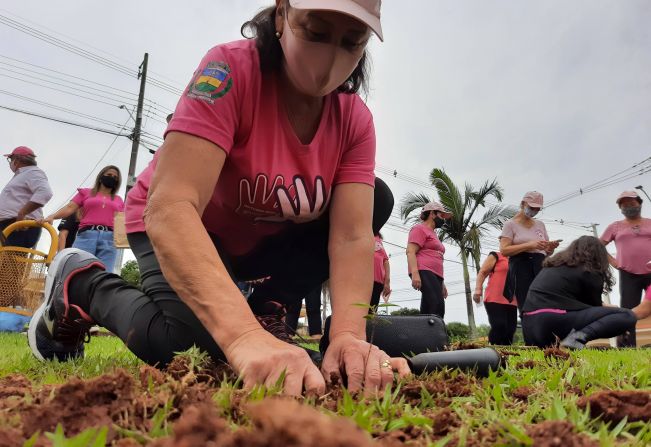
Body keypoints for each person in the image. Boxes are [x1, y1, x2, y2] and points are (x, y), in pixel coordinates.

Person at [28, 0, 410, 397]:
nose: (330, 59)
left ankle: (268, 310)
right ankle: (83, 283)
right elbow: (172, 205)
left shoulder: (354, 120)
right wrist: (241, 336)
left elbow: (350, 236)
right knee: (194, 348)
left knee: (375, 198)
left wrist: (348, 335)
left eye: (352, 41)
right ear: (281, 15)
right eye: (315, 32)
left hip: (259, 244)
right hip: (177, 224)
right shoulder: (230, 71)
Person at [521, 236, 637, 349]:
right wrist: (617, 317)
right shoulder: (588, 269)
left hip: (529, 326)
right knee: (627, 315)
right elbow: (594, 306)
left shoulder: (553, 265)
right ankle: (575, 341)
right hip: (553, 321)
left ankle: (566, 344)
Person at [42, 166, 124, 272]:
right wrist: (52, 216)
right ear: (101, 177)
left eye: (115, 177)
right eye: (109, 175)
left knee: (105, 274)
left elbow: (123, 221)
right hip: (86, 236)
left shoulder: (119, 200)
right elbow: (69, 208)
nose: (112, 178)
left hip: (109, 239)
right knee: (78, 271)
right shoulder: (85, 193)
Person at [600, 190, 651, 347]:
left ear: (640, 203)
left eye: (632, 203)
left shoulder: (649, 222)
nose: (629, 206)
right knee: (628, 312)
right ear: (620, 208)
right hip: (629, 274)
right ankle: (627, 347)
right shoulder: (615, 227)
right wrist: (612, 261)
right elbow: (598, 245)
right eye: (625, 205)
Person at [500, 191, 559, 313]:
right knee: (528, 307)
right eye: (532, 207)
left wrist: (550, 248)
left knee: (547, 304)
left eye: (537, 209)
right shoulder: (510, 224)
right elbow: (504, 250)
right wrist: (529, 245)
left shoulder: (540, 224)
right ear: (523, 204)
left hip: (540, 266)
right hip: (521, 267)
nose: (534, 211)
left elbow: (546, 252)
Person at [0, 147, 53, 248]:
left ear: (18, 159)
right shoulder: (22, 175)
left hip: (18, 226)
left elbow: (45, 192)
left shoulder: (33, 172)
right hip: (10, 226)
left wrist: (22, 213)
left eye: (11, 159)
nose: (10, 162)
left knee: (11, 261)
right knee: (6, 261)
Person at [406, 201, 451, 317]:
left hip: (435, 274)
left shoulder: (433, 234)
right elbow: (410, 251)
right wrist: (415, 274)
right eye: (441, 215)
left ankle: (423, 333)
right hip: (423, 270)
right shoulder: (419, 229)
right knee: (437, 305)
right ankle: (436, 334)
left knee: (427, 308)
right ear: (432, 214)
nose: (443, 219)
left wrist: (441, 283)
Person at [473, 252, 518, 345]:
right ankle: (492, 350)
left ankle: (506, 355)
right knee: (499, 325)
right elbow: (483, 272)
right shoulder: (496, 256)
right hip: (494, 298)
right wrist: (478, 289)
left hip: (512, 300)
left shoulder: (520, 260)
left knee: (510, 330)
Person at [371, 232, 391, 310]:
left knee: (372, 311)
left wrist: (387, 282)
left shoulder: (378, 239)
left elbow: (385, 261)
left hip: (378, 282)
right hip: (363, 280)